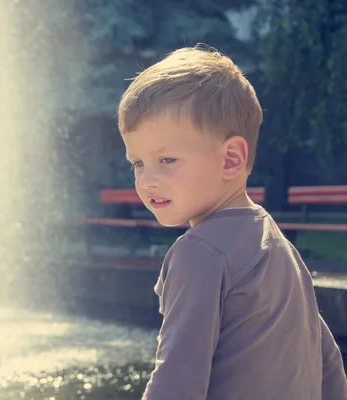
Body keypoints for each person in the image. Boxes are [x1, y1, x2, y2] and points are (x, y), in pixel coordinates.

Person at [117, 44, 347, 399]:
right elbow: (327, 363)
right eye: (138, 163)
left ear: (230, 159)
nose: (146, 180)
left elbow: (177, 382)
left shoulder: (199, 253)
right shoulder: (276, 244)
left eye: (166, 159)